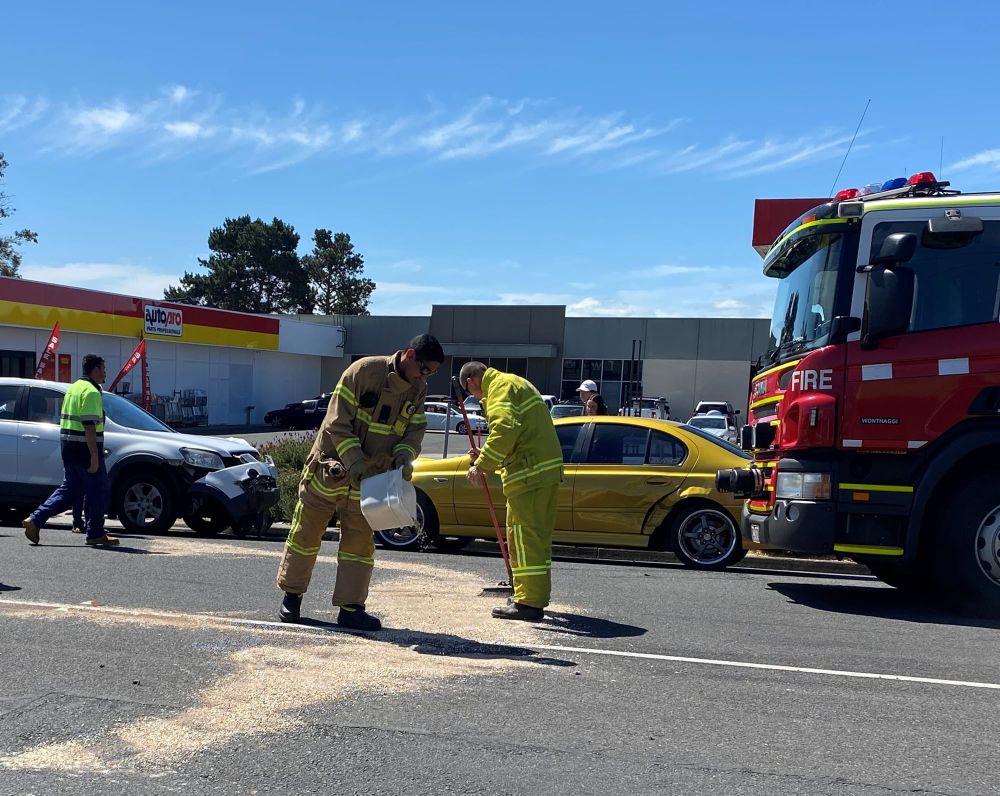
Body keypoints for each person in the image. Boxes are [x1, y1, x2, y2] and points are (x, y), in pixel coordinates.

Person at [275, 334, 444, 630]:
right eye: (424, 369)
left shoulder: (418, 390)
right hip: (332, 469)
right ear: (408, 355)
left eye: (430, 372)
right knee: (305, 534)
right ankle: (292, 597)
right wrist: (356, 463)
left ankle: (351, 608)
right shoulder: (363, 372)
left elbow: (415, 431)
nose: (424, 377)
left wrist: (404, 457)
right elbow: (336, 424)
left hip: (370, 481)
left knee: (359, 545)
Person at [460, 361, 563, 622]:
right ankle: (533, 595)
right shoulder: (514, 382)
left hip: (528, 475)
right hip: (543, 472)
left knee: (522, 538)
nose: (475, 397)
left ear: (472, 380)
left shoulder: (499, 388)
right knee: (536, 540)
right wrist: (486, 455)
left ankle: (528, 602)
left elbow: (505, 428)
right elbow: (517, 432)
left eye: (471, 392)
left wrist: (482, 465)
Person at [22, 354, 118, 547]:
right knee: (100, 489)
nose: (106, 372)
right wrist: (93, 456)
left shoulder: (73, 389)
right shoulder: (90, 391)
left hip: (69, 448)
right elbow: (89, 426)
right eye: (104, 368)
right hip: (85, 448)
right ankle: (95, 533)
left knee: (70, 491)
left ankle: (35, 519)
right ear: (96, 369)